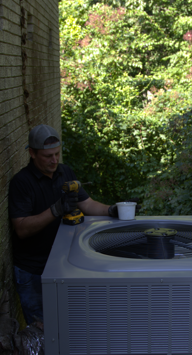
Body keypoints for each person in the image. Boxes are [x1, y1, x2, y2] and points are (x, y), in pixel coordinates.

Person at [8, 124, 125, 324]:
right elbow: (22, 229)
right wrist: (56, 210)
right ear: (32, 153)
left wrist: (111, 210)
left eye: (57, 154)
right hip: (33, 270)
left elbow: (86, 204)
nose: (54, 160)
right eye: (48, 156)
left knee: (67, 326)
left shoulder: (65, 172)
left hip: (62, 264)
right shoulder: (21, 183)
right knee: (42, 330)